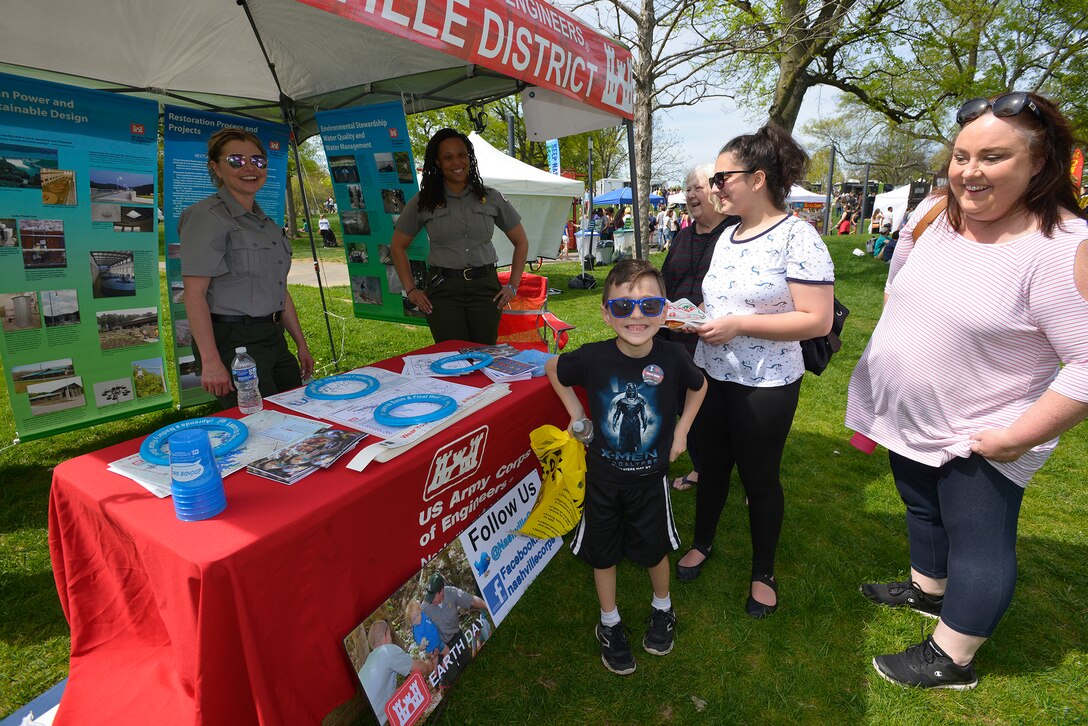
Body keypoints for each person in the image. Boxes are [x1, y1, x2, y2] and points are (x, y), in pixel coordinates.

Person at [846, 91, 1088, 690]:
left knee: (979, 541)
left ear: (1040, 163)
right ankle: (928, 590)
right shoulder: (934, 216)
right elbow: (899, 292)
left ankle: (953, 657)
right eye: (961, 156)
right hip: (907, 416)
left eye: (993, 157)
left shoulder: (1061, 249)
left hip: (982, 432)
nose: (969, 172)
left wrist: (1016, 437)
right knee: (922, 507)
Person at [675, 124, 835, 620]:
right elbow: (720, 299)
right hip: (712, 374)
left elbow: (818, 319)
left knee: (760, 479)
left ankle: (763, 570)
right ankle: (703, 541)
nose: (716, 186)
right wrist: (687, 313)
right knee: (712, 466)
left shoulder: (798, 237)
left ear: (759, 178)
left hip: (765, 382)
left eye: (724, 177)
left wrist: (740, 324)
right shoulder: (729, 236)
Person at [545, 259, 707, 675]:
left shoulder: (672, 357)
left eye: (649, 306)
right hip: (602, 481)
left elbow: (699, 385)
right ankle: (610, 622)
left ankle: (662, 607)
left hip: (651, 483)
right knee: (604, 554)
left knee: (655, 550)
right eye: (622, 307)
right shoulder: (594, 358)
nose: (636, 316)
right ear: (606, 313)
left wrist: (682, 431)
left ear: (664, 310)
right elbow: (553, 368)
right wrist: (577, 411)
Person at [180, 127, 314, 408]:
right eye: (236, 161)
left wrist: (300, 343)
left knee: (296, 410)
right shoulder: (206, 217)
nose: (250, 168)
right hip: (234, 343)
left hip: (272, 337)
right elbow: (194, 294)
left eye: (258, 161)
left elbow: (279, 289)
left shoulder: (266, 224)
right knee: (259, 425)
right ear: (216, 168)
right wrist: (211, 360)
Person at [390, 128, 529, 344]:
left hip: (485, 289)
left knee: (485, 355)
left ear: (469, 158)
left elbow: (521, 242)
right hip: (444, 291)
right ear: (437, 162)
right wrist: (411, 290)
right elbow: (397, 246)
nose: (457, 162)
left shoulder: (490, 197)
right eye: (448, 157)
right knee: (452, 357)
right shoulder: (423, 201)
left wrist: (512, 285)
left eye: (462, 155)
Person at [658, 163, 737, 491]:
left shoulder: (736, 233)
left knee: (726, 415)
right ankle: (702, 468)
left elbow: (746, 289)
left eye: (698, 188)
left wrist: (712, 310)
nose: (690, 194)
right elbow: (665, 278)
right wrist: (657, 304)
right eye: (687, 188)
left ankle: (751, 478)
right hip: (677, 338)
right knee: (683, 404)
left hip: (721, 341)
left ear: (716, 192)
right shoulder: (683, 235)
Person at [357, 620, 432, 726]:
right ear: (387, 635)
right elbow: (418, 668)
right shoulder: (387, 651)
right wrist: (429, 665)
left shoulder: (370, 660)